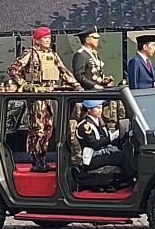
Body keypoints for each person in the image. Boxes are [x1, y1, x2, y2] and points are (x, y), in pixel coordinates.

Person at [8, 26, 81, 173]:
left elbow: (63, 71)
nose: (48, 40)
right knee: (37, 129)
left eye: (49, 38)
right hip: (36, 96)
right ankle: (36, 160)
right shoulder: (30, 53)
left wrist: (76, 85)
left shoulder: (52, 55)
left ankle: (43, 158)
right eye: (45, 38)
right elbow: (12, 70)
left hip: (49, 95)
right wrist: (25, 85)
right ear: (37, 40)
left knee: (48, 128)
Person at [75, 100, 135, 181]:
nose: (101, 110)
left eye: (101, 107)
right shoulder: (85, 125)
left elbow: (107, 138)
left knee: (126, 152)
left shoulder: (100, 121)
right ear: (89, 109)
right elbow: (95, 144)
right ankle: (133, 179)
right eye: (98, 108)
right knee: (121, 157)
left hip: (103, 152)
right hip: (92, 158)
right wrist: (111, 138)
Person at [72, 25, 114, 90]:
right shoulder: (80, 55)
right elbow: (79, 75)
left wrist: (104, 81)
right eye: (94, 38)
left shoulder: (94, 53)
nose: (97, 40)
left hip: (98, 91)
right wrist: (94, 86)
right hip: (88, 92)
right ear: (87, 40)